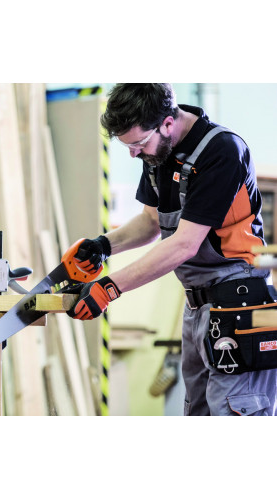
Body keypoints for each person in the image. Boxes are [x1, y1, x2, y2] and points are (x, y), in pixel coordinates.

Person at [66, 83, 277, 416]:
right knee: (198, 412)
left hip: (240, 303)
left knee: (236, 413)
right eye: (127, 146)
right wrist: (103, 245)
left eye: (137, 144)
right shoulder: (159, 153)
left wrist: (109, 287)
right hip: (198, 307)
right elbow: (151, 222)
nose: (133, 154)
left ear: (167, 123)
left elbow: (184, 243)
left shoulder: (222, 151)